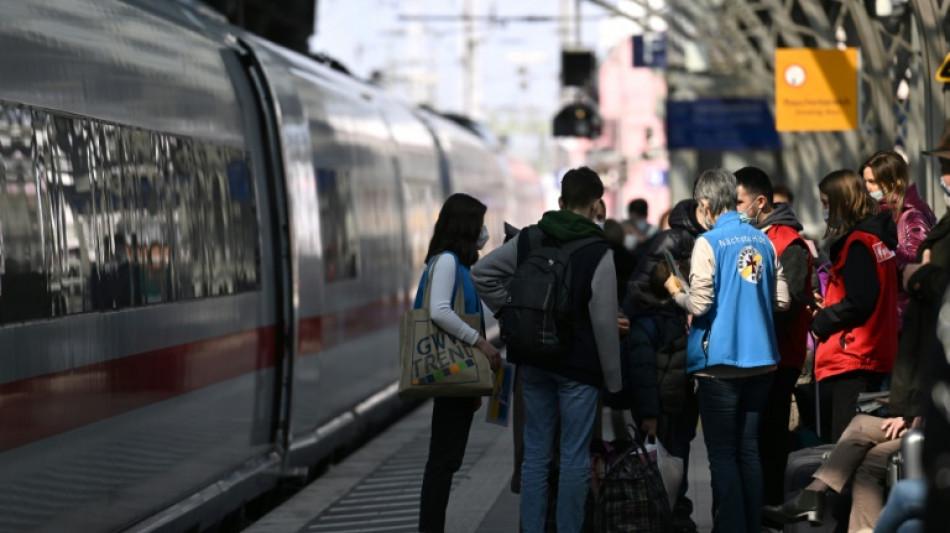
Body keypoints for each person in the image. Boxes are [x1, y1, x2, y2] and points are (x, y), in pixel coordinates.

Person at [472, 166, 622, 533]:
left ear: (560, 201)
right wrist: (615, 382)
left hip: (532, 362)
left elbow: (482, 274)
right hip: (579, 369)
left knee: (535, 453)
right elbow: (604, 323)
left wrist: (509, 312)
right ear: (597, 205)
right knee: (573, 456)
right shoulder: (599, 252)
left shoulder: (528, 240)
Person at [664, 168, 789, 533]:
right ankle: (753, 526)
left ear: (705, 204)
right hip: (762, 361)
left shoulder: (709, 243)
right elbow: (781, 300)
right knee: (748, 451)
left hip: (719, 364)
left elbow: (700, 304)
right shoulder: (764, 240)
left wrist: (676, 292)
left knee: (722, 454)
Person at [416, 193, 502, 533]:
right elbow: (439, 310)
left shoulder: (458, 264)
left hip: (457, 371)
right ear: (466, 226)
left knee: (447, 459)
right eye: (479, 224)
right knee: (442, 461)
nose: (484, 232)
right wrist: (480, 342)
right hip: (449, 365)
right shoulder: (448, 261)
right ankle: (430, 528)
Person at [624, 196, 706, 532]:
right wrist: (649, 414)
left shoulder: (662, 324)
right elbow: (643, 373)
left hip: (676, 395)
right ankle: (669, 512)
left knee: (676, 451)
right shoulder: (653, 325)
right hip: (663, 401)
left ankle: (676, 510)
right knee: (666, 455)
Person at [735, 167, 813, 513]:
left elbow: (790, 303)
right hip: (755, 355)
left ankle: (771, 505)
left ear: (760, 201)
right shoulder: (750, 237)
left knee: (770, 436)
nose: (733, 209)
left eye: (738, 202)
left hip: (778, 357)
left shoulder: (788, 242)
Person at [810, 169, 899, 442]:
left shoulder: (859, 243)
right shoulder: (876, 238)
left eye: (827, 203)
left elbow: (860, 300)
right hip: (869, 352)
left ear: (843, 201)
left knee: (847, 446)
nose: (825, 210)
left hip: (855, 356)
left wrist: (823, 320)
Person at [861, 150, 936, 330]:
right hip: (890, 317)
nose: (868, 188)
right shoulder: (884, 214)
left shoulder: (911, 216)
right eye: (865, 181)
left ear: (894, 183)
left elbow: (917, 266)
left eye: (873, 182)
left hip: (907, 320)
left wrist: (885, 244)